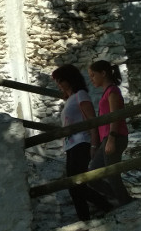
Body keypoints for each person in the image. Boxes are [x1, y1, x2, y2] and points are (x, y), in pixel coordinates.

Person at [52, 64, 112, 221]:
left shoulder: (81, 95)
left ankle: (107, 207)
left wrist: (94, 144)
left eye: (60, 80)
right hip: (71, 145)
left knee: (77, 184)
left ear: (69, 80)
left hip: (82, 143)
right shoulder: (71, 98)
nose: (58, 84)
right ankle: (86, 220)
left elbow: (91, 121)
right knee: (73, 186)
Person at [88, 60, 133, 206]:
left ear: (103, 73)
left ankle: (126, 203)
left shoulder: (113, 91)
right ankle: (124, 200)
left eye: (93, 75)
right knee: (93, 175)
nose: (91, 79)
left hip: (115, 136)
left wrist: (112, 139)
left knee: (112, 173)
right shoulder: (107, 92)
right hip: (107, 139)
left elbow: (116, 116)